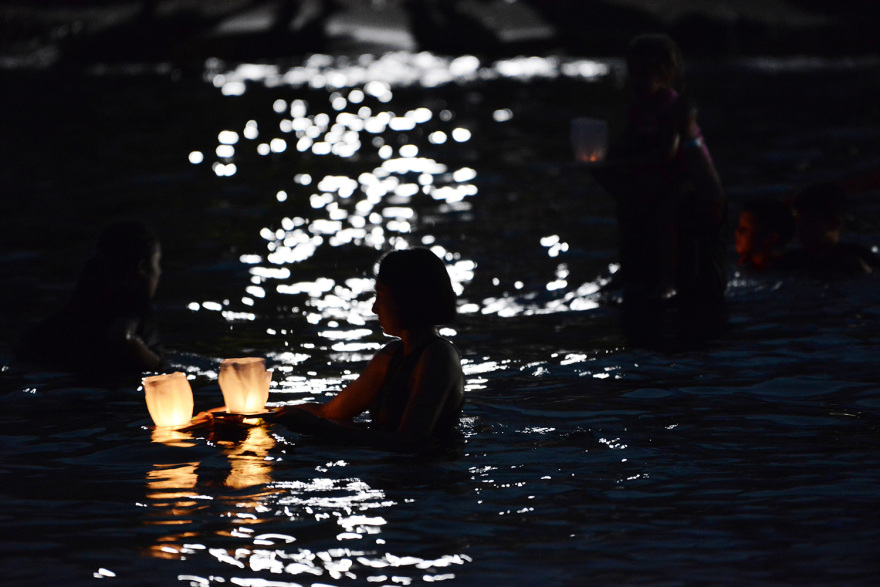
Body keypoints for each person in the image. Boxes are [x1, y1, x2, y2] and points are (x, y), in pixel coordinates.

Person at [591, 34, 727, 333]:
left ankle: (667, 281)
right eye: (633, 74)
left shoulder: (673, 106)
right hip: (657, 177)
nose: (637, 82)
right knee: (628, 208)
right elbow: (629, 140)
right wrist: (603, 161)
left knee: (666, 215)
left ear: (667, 74)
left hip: (685, 179)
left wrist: (626, 165)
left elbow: (669, 152)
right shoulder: (639, 107)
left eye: (644, 74)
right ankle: (630, 271)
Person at [266, 247, 465, 451]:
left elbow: (410, 441)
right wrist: (267, 413)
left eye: (380, 295)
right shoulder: (390, 356)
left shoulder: (438, 357)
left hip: (427, 478)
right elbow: (331, 412)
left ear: (406, 298)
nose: (374, 308)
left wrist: (317, 427)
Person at [17, 220, 167, 377]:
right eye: (157, 263)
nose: (160, 272)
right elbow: (121, 336)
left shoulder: (80, 305)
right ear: (142, 268)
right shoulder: (135, 305)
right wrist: (158, 365)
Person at [781, 181, 880, 276]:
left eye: (808, 222)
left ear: (834, 224)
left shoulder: (858, 257)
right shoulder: (790, 261)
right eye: (797, 221)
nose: (800, 228)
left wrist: (865, 271)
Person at [734, 196, 796, 271]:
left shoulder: (783, 271)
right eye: (739, 227)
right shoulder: (744, 266)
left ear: (770, 238)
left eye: (745, 229)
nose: (737, 232)